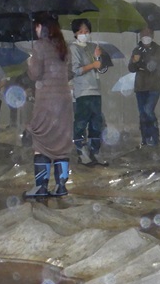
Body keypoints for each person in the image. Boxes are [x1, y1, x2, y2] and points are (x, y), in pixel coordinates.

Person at [24, 14, 74, 198]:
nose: (35, 30)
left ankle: (41, 187)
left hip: (46, 100)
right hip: (64, 100)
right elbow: (68, 72)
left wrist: (30, 62)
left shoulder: (38, 46)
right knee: (61, 142)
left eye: (36, 27)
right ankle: (61, 186)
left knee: (41, 141)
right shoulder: (63, 47)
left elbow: (35, 74)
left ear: (42, 28)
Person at [69, 18, 110, 166]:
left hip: (95, 90)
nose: (84, 34)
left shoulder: (94, 46)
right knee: (81, 122)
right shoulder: (73, 48)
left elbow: (102, 69)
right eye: (81, 31)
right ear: (75, 33)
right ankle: (82, 152)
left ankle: (96, 152)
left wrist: (98, 57)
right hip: (82, 91)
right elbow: (76, 70)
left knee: (96, 123)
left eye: (86, 31)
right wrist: (93, 64)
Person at [128, 26, 160, 148]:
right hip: (140, 86)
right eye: (143, 33)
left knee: (149, 110)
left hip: (154, 86)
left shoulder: (158, 49)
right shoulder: (136, 49)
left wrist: (139, 62)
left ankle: (154, 138)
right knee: (143, 114)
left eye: (148, 33)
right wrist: (134, 61)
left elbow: (153, 65)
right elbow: (131, 68)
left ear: (153, 35)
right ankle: (145, 139)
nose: (145, 36)